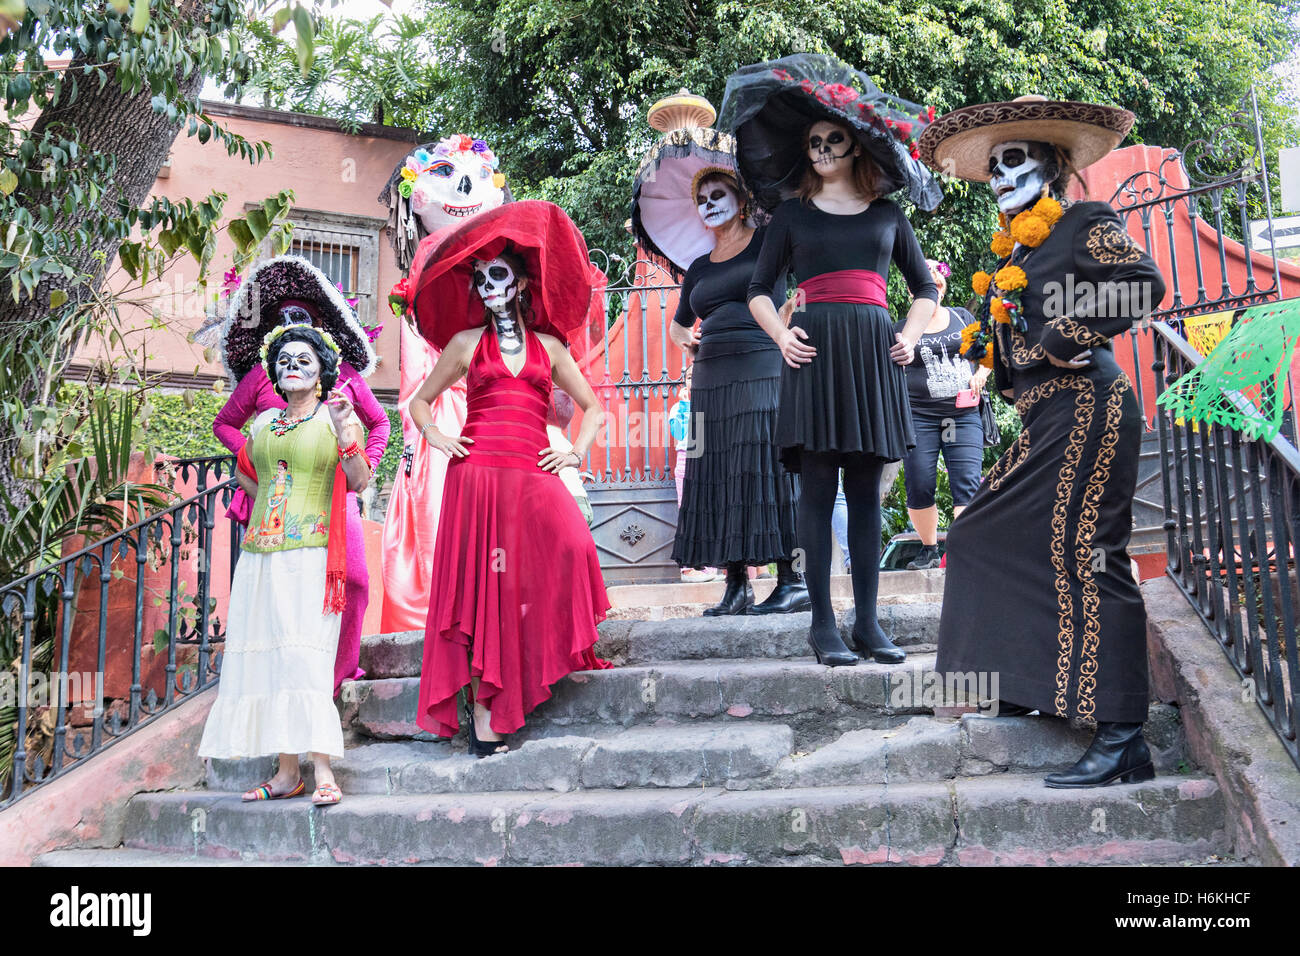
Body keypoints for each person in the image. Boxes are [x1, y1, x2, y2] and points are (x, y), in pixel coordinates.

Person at [918, 94, 1167, 787]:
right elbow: (1009, 337)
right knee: (979, 534)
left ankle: (1123, 738)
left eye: (1014, 159)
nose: (999, 174)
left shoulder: (1084, 219)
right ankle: (1029, 683)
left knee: (1089, 552)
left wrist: (1064, 335)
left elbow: (1144, 284)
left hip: (1090, 406)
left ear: (1053, 163)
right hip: (1042, 418)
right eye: (992, 165)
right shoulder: (1018, 248)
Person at [723, 54, 944, 666]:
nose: (820, 148)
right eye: (814, 141)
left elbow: (926, 288)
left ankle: (869, 625)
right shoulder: (790, 215)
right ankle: (823, 625)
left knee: (868, 494)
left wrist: (913, 331)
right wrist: (779, 336)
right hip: (813, 353)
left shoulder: (886, 215)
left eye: (833, 140)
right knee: (817, 491)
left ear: (856, 147)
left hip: (874, 354)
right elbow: (757, 291)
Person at [407, 201, 611, 757]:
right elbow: (419, 403)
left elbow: (592, 408)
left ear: (519, 282)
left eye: (497, 275)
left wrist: (573, 454)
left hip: (531, 468)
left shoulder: (549, 346)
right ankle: (484, 712)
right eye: (480, 278)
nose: (487, 285)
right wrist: (437, 437)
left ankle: (526, 676)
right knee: (482, 588)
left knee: (571, 547)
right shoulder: (465, 344)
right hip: (476, 476)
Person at [199, 324, 371, 806]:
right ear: (273, 372)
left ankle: (322, 773)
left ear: (322, 371)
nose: (292, 365)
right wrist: (268, 511)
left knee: (306, 658)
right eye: (284, 359)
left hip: (313, 555)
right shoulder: (262, 426)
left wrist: (345, 433)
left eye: (304, 359)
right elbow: (245, 474)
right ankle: (285, 773)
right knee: (273, 658)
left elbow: (357, 480)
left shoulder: (336, 417)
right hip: (259, 559)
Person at [212, 256, 388, 696]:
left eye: (303, 318)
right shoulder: (262, 376)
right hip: (275, 498)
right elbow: (225, 424)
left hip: (333, 491)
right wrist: (254, 461)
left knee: (355, 579)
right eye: (285, 319)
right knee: (281, 592)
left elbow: (380, 422)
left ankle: (337, 674)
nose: (294, 325)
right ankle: (283, 681)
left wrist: (363, 462)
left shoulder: (343, 377)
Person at [377, 134, 511, 633]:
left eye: (476, 175)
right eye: (444, 174)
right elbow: (417, 368)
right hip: (446, 406)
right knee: (440, 500)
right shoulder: (424, 267)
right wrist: (420, 424)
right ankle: (452, 613)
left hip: (496, 397)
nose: (461, 184)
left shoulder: (498, 260)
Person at [666, 169, 808, 615]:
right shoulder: (699, 268)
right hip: (710, 377)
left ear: (740, 198)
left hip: (763, 364)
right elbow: (677, 324)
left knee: (768, 464)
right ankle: (735, 585)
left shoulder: (770, 240)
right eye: (702, 198)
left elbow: (804, 280)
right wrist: (683, 340)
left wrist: (789, 312)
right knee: (720, 471)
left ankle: (792, 579)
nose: (709, 203)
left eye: (718, 194)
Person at [897, 258, 988, 570]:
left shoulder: (961, 317)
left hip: (963, 415)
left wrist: (983, 374)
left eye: (938, 281)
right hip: (918, 416)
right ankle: (929, 549)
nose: (934, 285)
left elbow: (987, 349)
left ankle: (965, 551)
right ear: (912, 290)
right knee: (919, 482)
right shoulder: (902, 329)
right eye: (927, 282)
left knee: (967, 483)